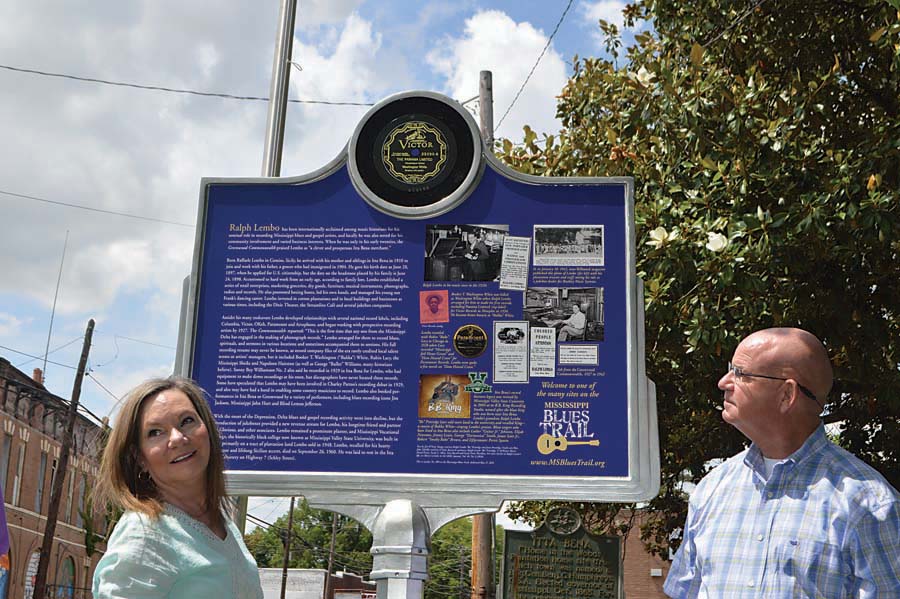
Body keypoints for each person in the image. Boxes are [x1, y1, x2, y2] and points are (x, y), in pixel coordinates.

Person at [664, 328, 900, 598]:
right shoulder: (711, 489)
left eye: (741, 373)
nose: (723, 382)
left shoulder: (868, 504)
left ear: (787, 395)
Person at [92, 377, 263, 598]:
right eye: (155, 432)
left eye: (187, 421)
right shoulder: (144, 534)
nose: (178, 438)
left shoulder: (225, 525)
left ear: (208, 429)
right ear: (139, 457)